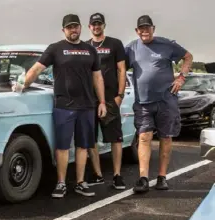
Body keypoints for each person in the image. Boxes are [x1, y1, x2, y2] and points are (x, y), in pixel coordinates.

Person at [13, 14, 107, 198]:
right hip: (64, 105)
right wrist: (22, 84)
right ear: (63, 30)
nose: (73, 30)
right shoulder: (55, 48)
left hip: (87, 105)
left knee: (83, 146)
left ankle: (80, 182)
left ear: (81, 28)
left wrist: (102, 101)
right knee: (62, 146)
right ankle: (61, 183)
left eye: (76, 26)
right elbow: (37, 68)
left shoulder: (90, 50)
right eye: (69, 27)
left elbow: (97, 77)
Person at [125, 15, 193, 193]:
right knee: (144, 137)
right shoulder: (131, 48)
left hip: (166, 100)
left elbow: (188, 57)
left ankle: (162, 177)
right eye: (141, 28)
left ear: (153, 28)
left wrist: (181, 77)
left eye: (147, 28)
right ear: (136, 30)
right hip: (143, 103)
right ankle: (143, 178)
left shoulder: (167, 44)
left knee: (165, 137)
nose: (144, 31)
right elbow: (118, 67)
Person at [85, 13, 127, 190]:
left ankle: (117, 175)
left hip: (110, 99)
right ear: (89, 27)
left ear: (104, 25)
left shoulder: (114, 43)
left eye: (99, 24)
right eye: (93, 24)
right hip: (89, 100)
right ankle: (98, 174)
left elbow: (122, 70)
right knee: (90, 139)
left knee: (115, 139)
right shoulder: (85, 46)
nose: (96, 27)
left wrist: (120, 95)